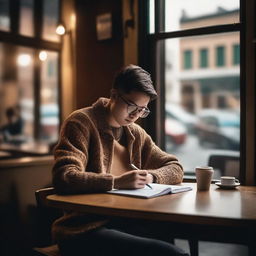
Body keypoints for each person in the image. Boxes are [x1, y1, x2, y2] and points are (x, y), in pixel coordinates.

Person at [52, 64, 189, 256]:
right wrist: (116, 182)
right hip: (84, 229)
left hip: (126, 221)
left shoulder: (135, 132)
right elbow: (64, 177)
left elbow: (175, 167)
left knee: (170, 234)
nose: (136, 115)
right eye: (132, 105)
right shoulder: (81, 122)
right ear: (114, 96)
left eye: (142, 110)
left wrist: (150, 176)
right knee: (173, 253)